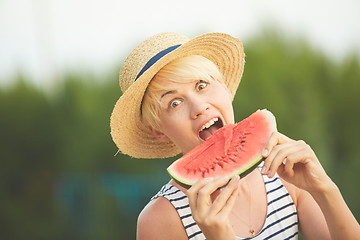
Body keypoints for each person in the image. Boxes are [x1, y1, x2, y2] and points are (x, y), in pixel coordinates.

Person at [110, 32, 360, 240]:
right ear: (158, 131)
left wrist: (324, 189)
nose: (199, 107)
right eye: (174, 103)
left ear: (225, 89)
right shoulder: (161, 219)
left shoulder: (285, 175)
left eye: (201, 85)